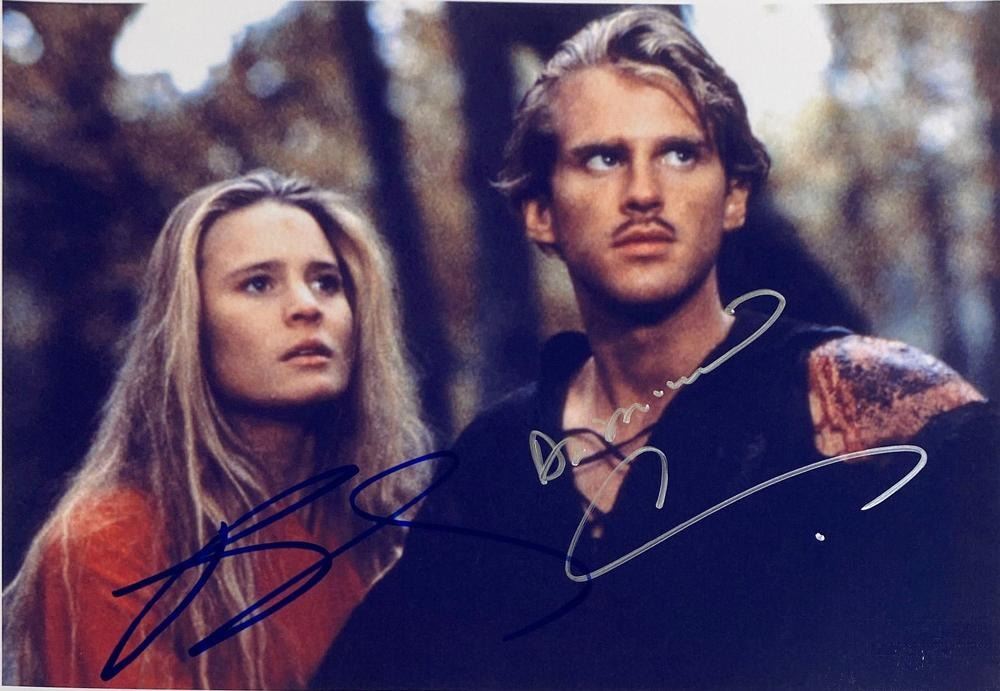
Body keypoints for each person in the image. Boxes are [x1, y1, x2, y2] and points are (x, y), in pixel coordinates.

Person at [315, 7, 998, 689]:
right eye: (603, 158)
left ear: (733, 197)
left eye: (680, 154)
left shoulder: (862, 402)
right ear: (541, 212)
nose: (643, 193)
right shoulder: (494, 463)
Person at [2, 170, 433, 689]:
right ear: (191, 327)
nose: (307, 306)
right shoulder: (110, 543)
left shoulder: (390, 536)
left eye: (327, 282)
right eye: (258, 283)